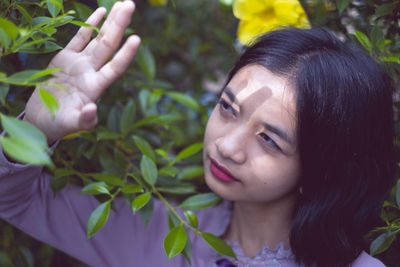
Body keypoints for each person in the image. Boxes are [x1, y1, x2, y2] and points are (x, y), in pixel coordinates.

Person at [0, 1, 394, 266]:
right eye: (227, 108)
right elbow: (15, 201)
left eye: (269, 139)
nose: (226, 145)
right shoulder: (160, 229)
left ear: (320, 170)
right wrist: (35, 126)